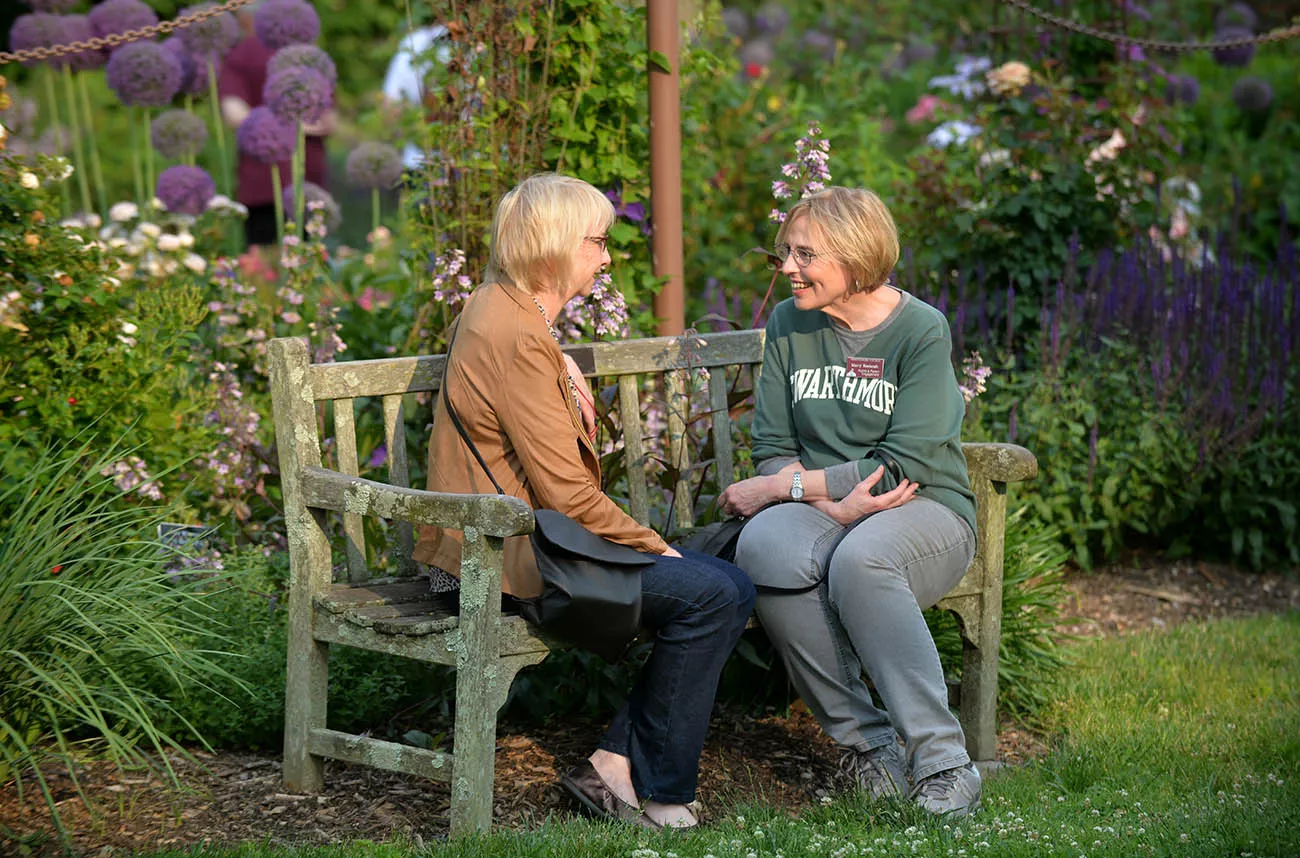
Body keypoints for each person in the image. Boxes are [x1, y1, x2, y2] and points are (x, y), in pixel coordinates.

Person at [412, 172, 755, 830]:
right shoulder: (516, 335)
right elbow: (568, 495)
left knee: (728, 579)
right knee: (716, 593)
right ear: (555, 244)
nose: (606, 256)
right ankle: (658, 794)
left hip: (502, 547)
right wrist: (656, 544)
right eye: (597, 242)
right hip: (507, 563)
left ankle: (614, 767)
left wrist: (557, 357)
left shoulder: (500, 308)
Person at [718, 187, 982, 817]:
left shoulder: (919, 329)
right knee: (764, 546)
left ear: (856, 258)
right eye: (787, 252)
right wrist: (816, 498)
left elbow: (906, 464)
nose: (787, 268)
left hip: (925, 507)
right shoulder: (790, 323)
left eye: (804, 254)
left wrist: (791, 488)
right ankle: (870, 751)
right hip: (825, 505)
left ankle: (945, 762)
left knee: (863, 560)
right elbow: (775, 445)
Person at [218, 2, 333, 248]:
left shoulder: (241, 54)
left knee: (263, 270)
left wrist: (277, 123)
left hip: (264, 183)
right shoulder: (310, 55)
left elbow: (233, 112)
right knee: (310, 265)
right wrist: (298, 124)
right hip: (304, 183)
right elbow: (327, 121)